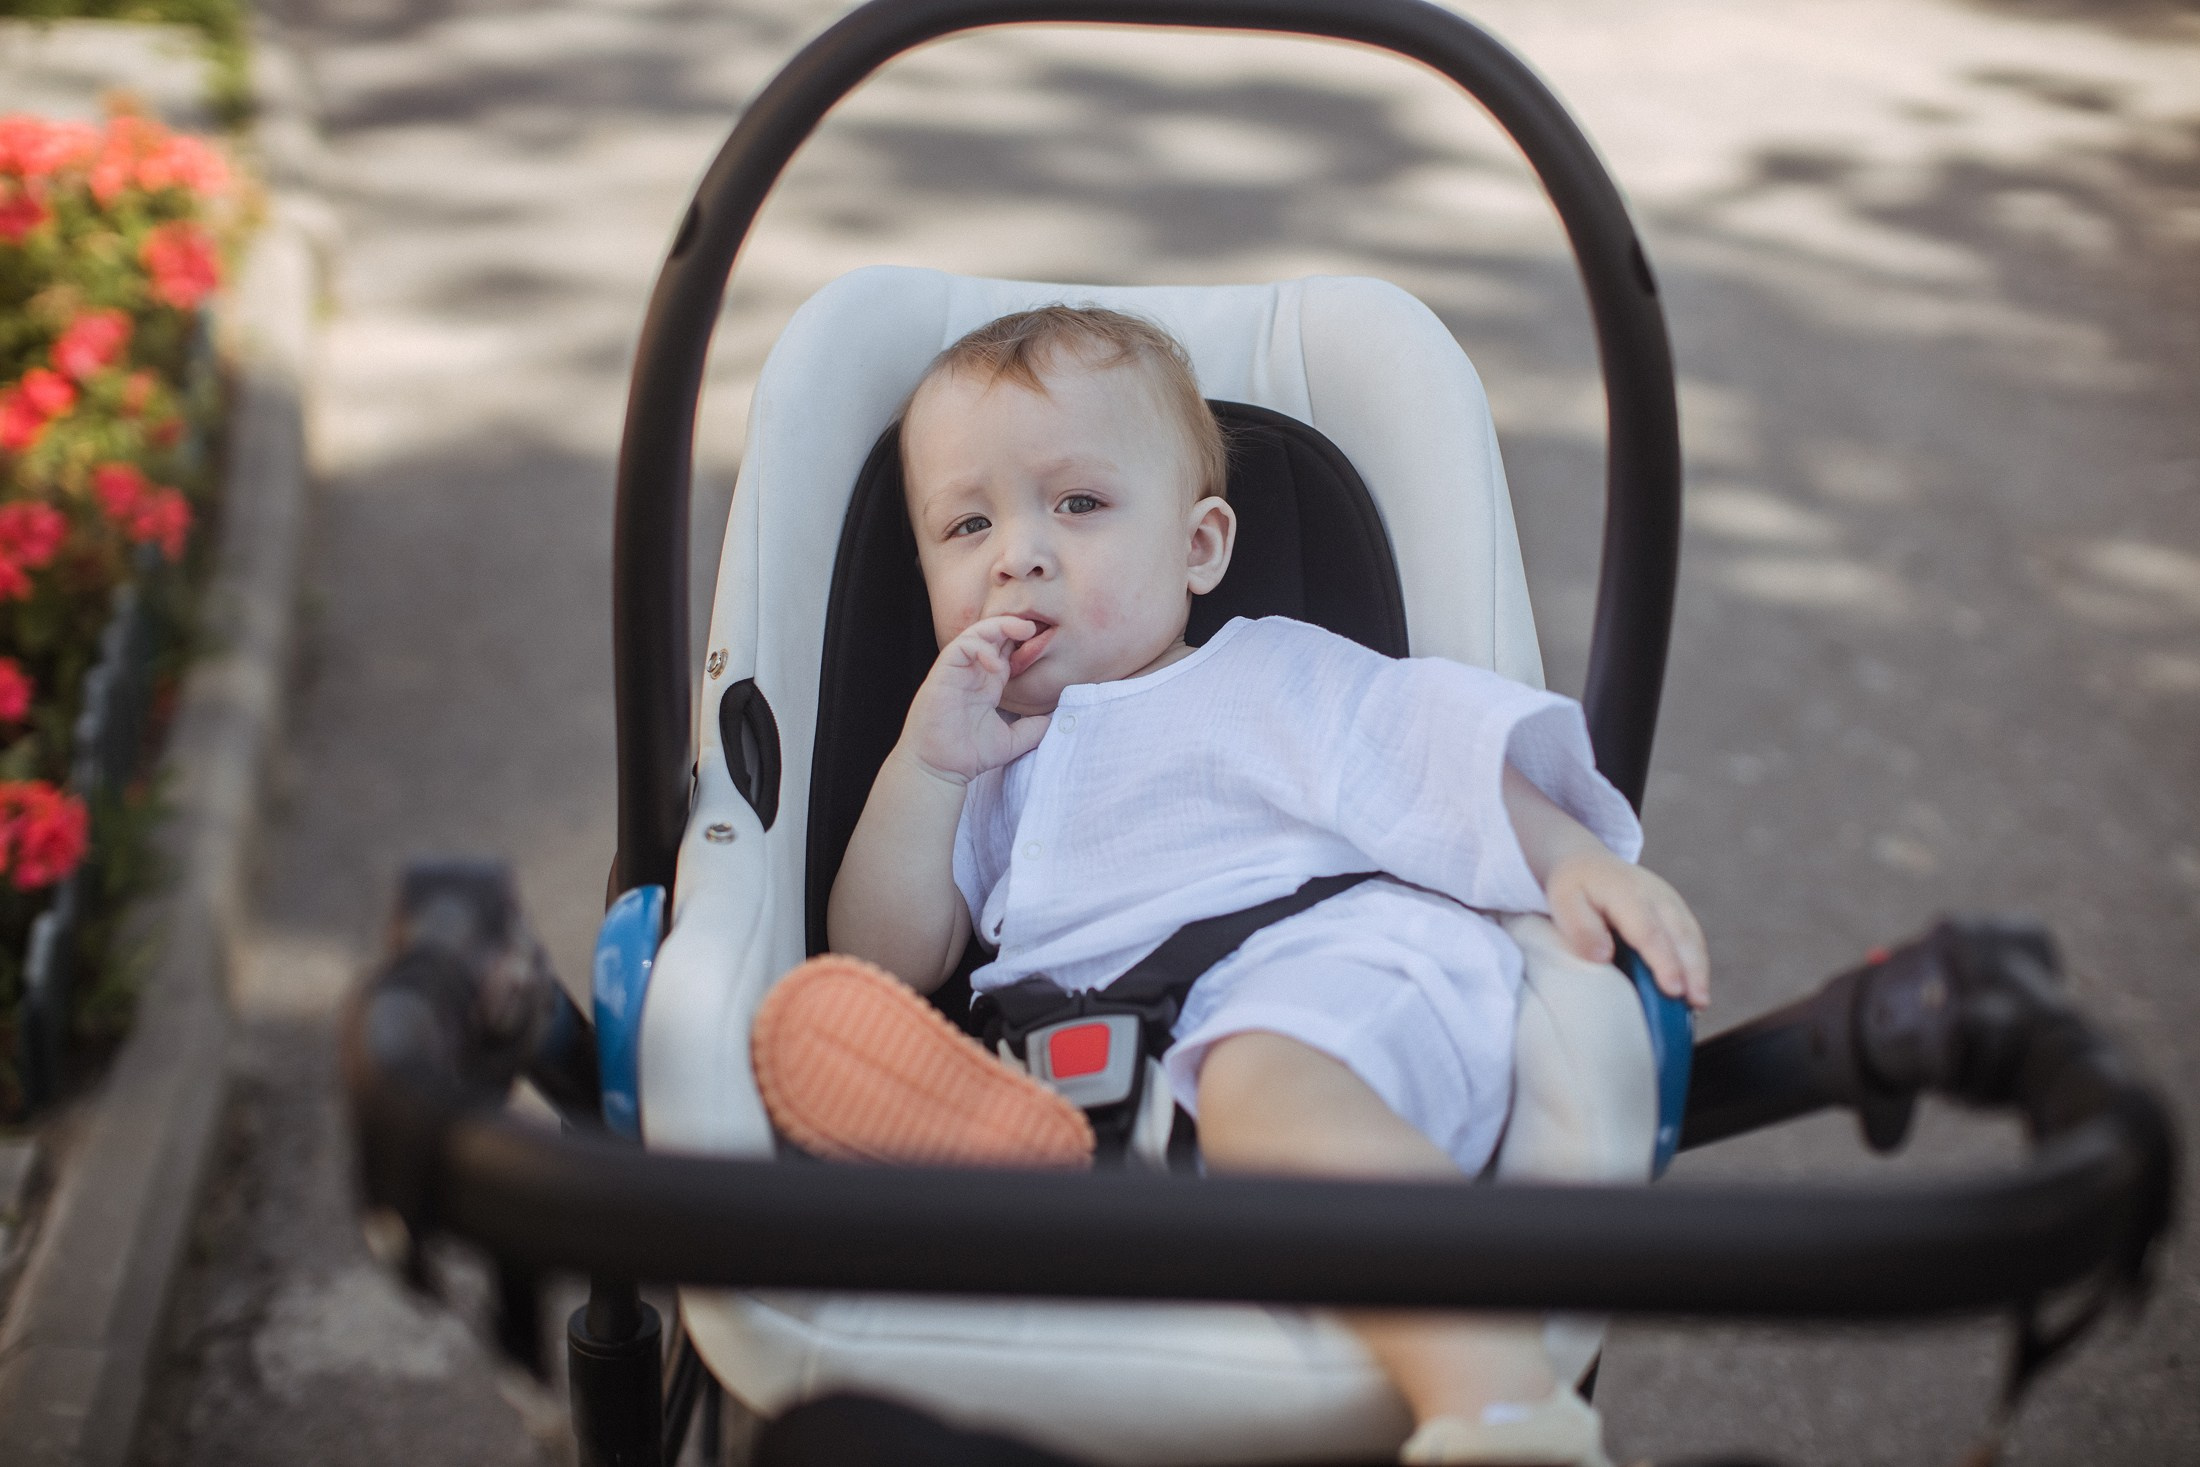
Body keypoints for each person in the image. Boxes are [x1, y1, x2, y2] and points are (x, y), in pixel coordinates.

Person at [751, 306, 1709, 1467]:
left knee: (1258, 1075)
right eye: (966, 525)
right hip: (1114, 1074)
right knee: (862, 1036)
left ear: (1199, 547)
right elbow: (887, 958)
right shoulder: (981, 756)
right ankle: (1038, 1159)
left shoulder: (1267, 673)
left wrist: (1572, 857)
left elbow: (1435, 759)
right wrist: (926, 767)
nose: (1018, 552)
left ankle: (1507, 1415)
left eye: (1080, 505)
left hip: (1327, 986)